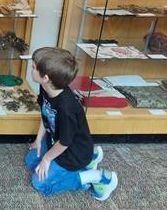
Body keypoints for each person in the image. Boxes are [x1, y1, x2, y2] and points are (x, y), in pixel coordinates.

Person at [24, 47, 118, 201]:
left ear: (46, 78)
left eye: (33, 67)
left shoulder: (67, 108)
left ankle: (97, 177)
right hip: (57, 142)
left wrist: (47, 158)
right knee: (31, 162)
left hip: (72, 153)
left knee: (39, 183)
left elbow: (65, 142)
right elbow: (45, 113)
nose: (31, 69)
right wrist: (38, 139)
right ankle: (92, 157)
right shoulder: (45, 88)